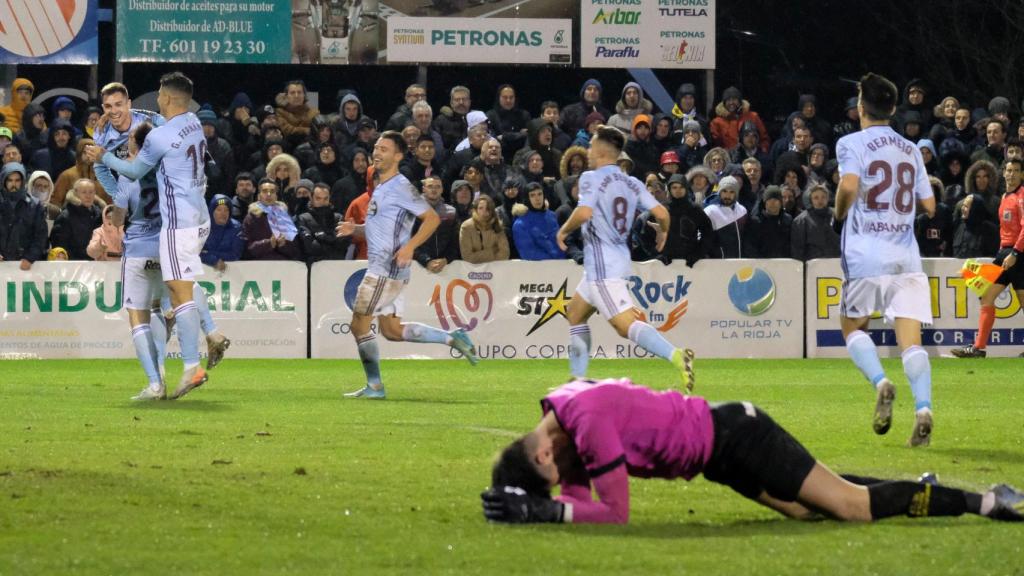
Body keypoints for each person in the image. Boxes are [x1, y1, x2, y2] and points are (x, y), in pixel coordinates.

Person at [481, 377, 1024, 525]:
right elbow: (580, 494)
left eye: (547, 481)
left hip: (739, 435)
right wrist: (537, 505)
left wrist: (547, 511)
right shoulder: (558, 410)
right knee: (809, 507)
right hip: (719, 456)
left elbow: (614, 513)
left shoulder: (587, 421)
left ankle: (985, 502)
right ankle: (915, 492)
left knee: (852, 509)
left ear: (543, 458)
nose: (561, 483)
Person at [88, 72, 213, 400]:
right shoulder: (187, 126)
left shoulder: (149, 139)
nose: (114, 110)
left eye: (119, 104)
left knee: (143, 312)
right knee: (178, 290)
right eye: (108, 105)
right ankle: (211, 332)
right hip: (186, 220)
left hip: (154, 237)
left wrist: (112, 180)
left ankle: (164, 378)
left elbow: (123, 173)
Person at [834, 73, 937, 447]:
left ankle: (881, 382)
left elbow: (848, 185)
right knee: (911, 343)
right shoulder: (911, 149)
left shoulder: (850, 142)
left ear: (861, 107)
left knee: (852, 327)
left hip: (866, 255)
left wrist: (838, 215)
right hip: (906, 256)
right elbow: (929, 204)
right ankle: (924, 409)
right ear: (893, 109)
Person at [335, 131, 479, 399]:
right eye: (376, 148)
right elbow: (379, 229)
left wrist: (410, 247)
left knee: (358, 325)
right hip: (387, 269)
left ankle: (375, 387)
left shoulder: (401, 186)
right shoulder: (381, 188)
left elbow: (432, 219)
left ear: (398, 156)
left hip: (385, 270)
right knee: (390, 331)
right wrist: (355, 228)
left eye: (384, 149)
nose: (377, 153)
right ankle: (453, 338)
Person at [556, 126, 694, 387]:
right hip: (615, 258)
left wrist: (563, 231)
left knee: (624, 326)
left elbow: (584, 213)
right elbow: (663, 215)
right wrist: (663, 234)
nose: (587, 149)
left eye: (591, 145)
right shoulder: (632, 182)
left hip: (602, 267)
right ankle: (577, 380)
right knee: (575, 313)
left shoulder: (590, 178)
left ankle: (676, 355)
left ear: (599, 150)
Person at [112, 123, 229, 400]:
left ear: (137, 145)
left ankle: (156, 383)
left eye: (130, 138)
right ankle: (210, 330)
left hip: (139, 248)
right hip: (167, 244)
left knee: (139, 316)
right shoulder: (169, 171)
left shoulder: (129, 175)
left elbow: (117, 217)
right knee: (182, 289)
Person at [952, 158, 1024, 359]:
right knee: (986, 296)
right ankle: (979, 348)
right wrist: (1003, 250)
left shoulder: (1021, 196)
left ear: (1021, 174)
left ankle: (979, 347)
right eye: (1008, 170)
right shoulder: (1005, 196)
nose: (1011, 174)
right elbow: (1006, 228)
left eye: (1016, 171)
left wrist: (1016, 253)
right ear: (1003, 173)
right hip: (1006, 253)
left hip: (1018, 254)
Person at [0, 162, 47, 270]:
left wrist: (30, 257)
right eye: (10, 180)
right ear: (3, 181)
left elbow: (40, 235)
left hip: (25, 264)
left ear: (23, 181)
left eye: (17, 180)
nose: (13, 184)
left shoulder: (35, 205)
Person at [241, 178, 301, 260]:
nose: (268, 194)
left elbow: (295, 249)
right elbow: (245, 249)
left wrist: (284, 244)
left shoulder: (284, 216)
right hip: (258, 265)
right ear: (259, 196)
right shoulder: (251, 217)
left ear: (276, 196)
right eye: (265, 191)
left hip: (283, 265)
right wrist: (268, 244)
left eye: (272, 191)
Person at [412, 175, 460, 272]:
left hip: (445, 267)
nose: (434, 189)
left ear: (442, 190)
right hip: (417, 268)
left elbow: (454, 242)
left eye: (438, 187)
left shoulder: (451, 212)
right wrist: (426, 261)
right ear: (423, 189)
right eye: (430, 186)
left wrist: (446, 259)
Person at [50, 179, 103, 260]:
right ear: (76, 194)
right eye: (84, 192)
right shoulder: (65, 217)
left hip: (98, 265)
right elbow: (60, 247)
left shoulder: (100, 215)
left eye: (91, 192)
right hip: (74, 266)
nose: (88, 196)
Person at [296, 182, 347, 262]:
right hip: (314, 266)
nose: (322, 202)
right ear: (311, 198)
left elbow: (342, 245)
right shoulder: (303, 218)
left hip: (336, 264)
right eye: (318, 198)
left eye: (325, 198)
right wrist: (331, 239)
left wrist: (320, 237)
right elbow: (309, 247)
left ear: (329, 198)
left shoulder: (338, 218)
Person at [512, 182, 564, 261]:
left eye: (540, 194)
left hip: (564, 264)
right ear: (527, 198)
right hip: (539, 269)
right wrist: (554, 262)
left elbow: (563, 242)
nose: (537, 198)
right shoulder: (520, 224)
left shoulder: (553, 216)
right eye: (532, 195)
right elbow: (529, 253)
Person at [459, 194, 509, 264]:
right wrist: (492, 251)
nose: (484, 211)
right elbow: (467, 257)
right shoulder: (466, 227)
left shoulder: (497, 224)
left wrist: (479, 255)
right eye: (480, 208)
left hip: (496, 268)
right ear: (475, 209)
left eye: (487, 208)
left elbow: (505, 253)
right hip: (474, 270)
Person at [201, 194, 244, 268]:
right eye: (219, 210)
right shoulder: (203, 227)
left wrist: (208, 253)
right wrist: (213, 260)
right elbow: (195, 253)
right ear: (212, 211)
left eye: (226, 210)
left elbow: (235, 255)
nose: (223, 213)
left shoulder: (236, 227)